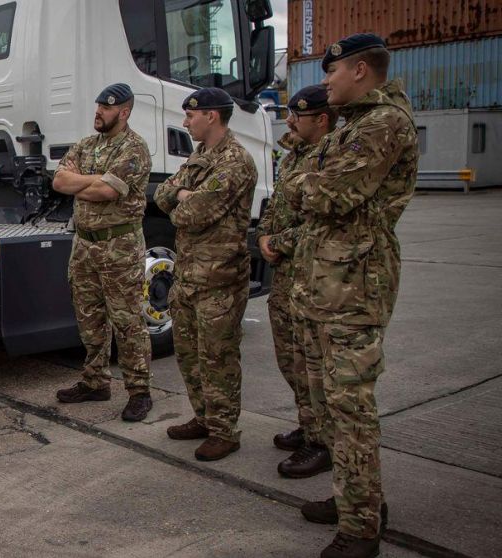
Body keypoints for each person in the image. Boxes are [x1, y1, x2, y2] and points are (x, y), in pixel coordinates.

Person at [268, 33, 418, 558]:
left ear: (359, 71)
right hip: (328, 281)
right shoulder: (356, 124)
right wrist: (312, 177)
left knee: (351, 407)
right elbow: (318, 185)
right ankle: (355, 497)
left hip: (353, 286)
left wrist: (302, 181)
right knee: (331, 402)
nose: (325, 81)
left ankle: (361, 530)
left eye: (332, 72)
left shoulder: (383, 123)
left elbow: (330, 195)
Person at [154, 87, 256, 461]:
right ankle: (204, 416)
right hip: (189, 273)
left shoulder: (236, 161)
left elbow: (190, 212)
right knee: (188, 352)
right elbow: (162, 194)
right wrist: (183, 194)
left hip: (220, 278)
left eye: (190, 116)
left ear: (211, 115)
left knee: (218, 356)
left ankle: (225, 431)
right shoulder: (200, 156)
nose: (184, 122)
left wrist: (182, 197)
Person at [52, 83, 154, 422]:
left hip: (120, 247)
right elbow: (59, 182)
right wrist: (91, 182)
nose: (98, 112)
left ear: (123, 112)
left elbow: (105, 191)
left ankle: (139, 391)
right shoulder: (85, 144)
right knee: (89, 316)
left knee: (127, 321)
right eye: (97, 106)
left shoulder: (134, 148)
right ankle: (95, 381)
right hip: (84, 245)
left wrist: (86, 183)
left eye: (106, 108)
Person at [257, 84, 337, 479]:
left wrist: (280, 241)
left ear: (321, 119)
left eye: (297, 115)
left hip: (313, 273)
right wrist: (263, 236)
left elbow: (320, 221)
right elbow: (276, 206)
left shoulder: (330, 157)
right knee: (290, 359)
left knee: (313, 364)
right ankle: (309, 424)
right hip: (287, 274)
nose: (288, 121)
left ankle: (322, 442)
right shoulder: (293, 157)